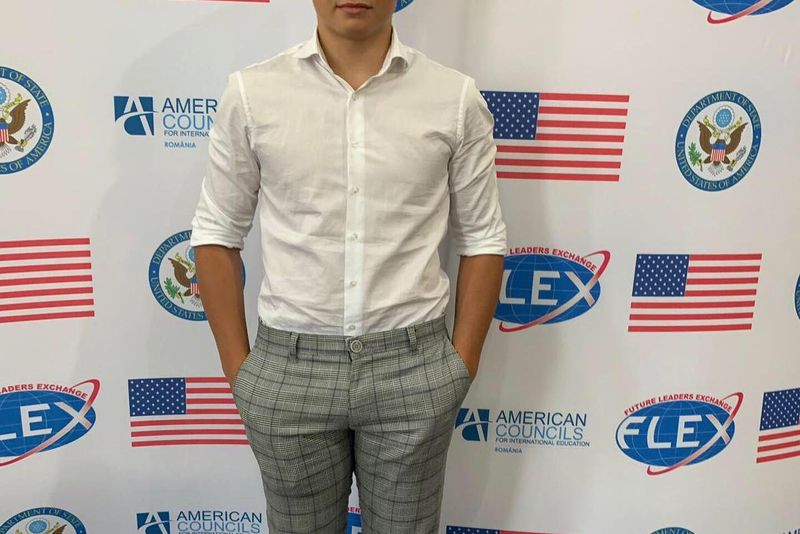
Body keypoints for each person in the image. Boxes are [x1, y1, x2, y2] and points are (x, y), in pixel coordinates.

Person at [189, 1, 507, 532]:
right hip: (288, 370)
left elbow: (482, 237)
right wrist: (242, 374)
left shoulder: (453, 98)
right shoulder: (252, 93)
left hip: (415, 367)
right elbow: (217, 233)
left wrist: (460, 366)